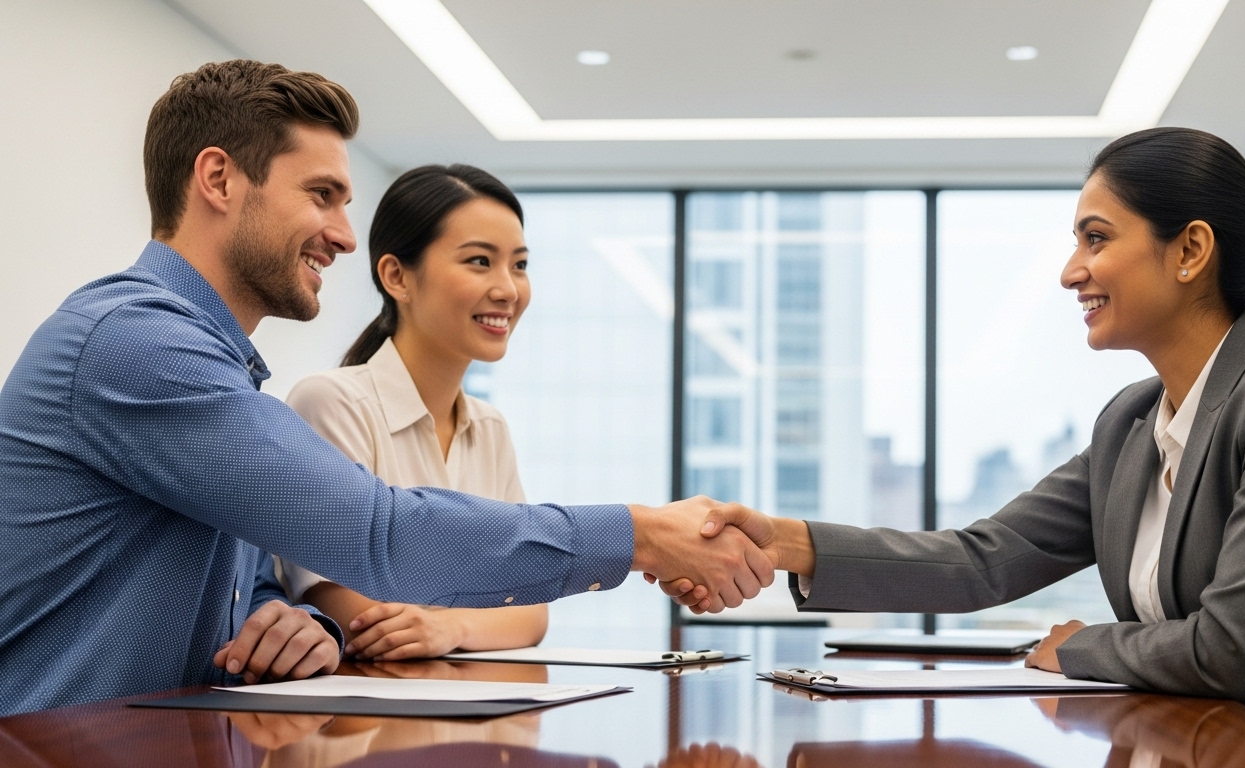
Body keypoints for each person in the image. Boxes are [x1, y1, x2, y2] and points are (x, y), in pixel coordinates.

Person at [0, 59, 770, 717]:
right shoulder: (137, 345)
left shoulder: (210, 367)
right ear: (218, 179)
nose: (342, 233)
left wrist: (297, 621)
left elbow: (251, 589)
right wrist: (639, 534)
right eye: (323, 195)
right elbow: (380, 535)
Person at [664, 128, 1245, 762]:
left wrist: (1082, 646)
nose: (1070, 271)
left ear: (1190, 251)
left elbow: (1234, 653)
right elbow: (981, 561)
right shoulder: (1131, 424)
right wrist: (784, 541)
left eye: (1096, 238)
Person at [278, 164, 548, 659]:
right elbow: (341, 603)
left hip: (474, 704)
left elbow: (531, 610)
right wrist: (474, 615)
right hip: (363, 720)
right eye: (480, 262)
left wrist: (452, 629)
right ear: (397, 276)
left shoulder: (489, 429)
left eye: (520, 265)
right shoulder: (331, 403)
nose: (509, 289)